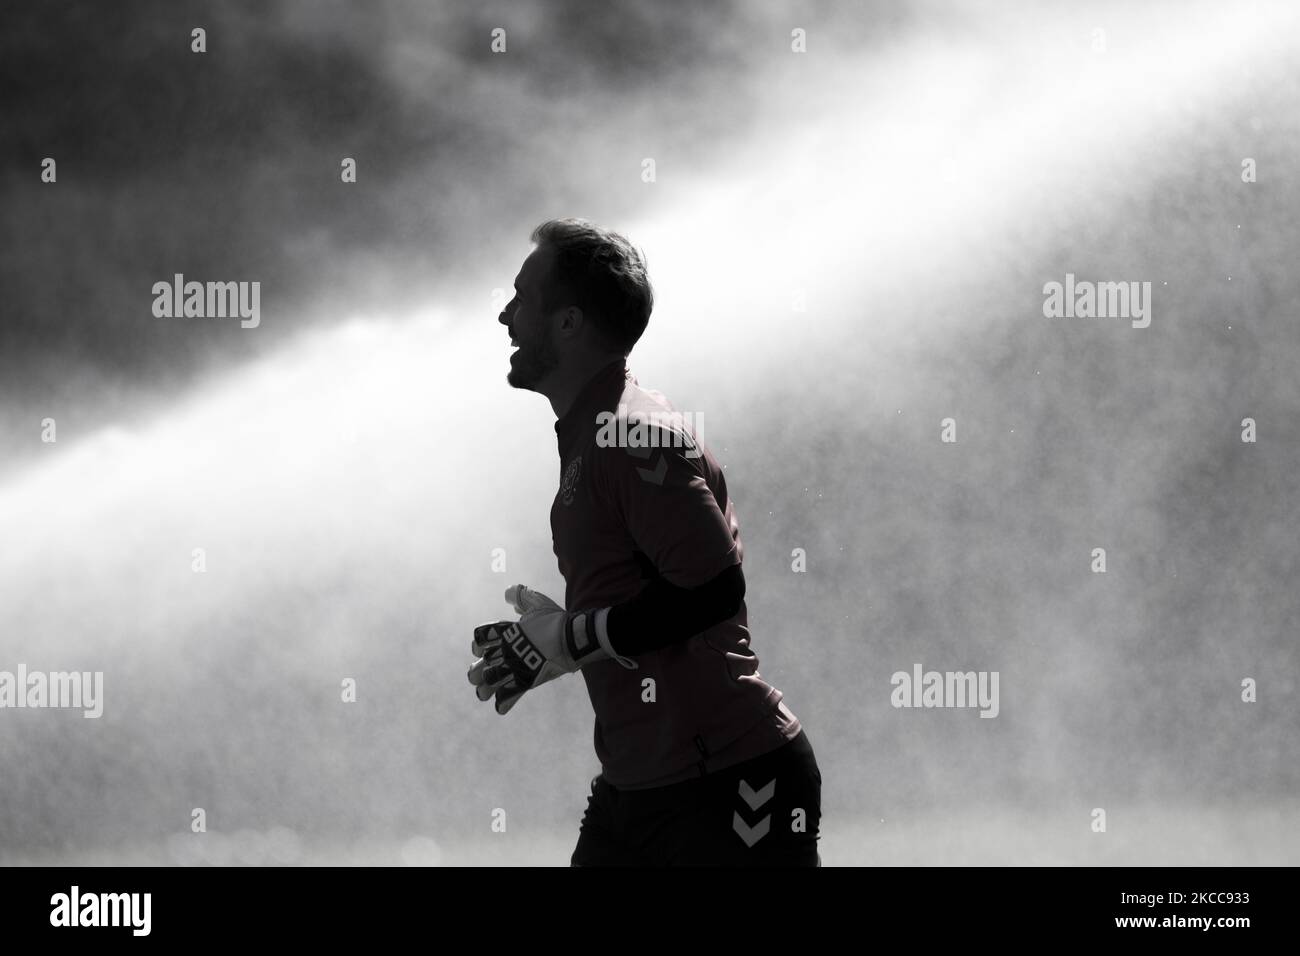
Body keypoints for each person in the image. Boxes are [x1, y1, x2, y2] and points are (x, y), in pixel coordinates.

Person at [468, 217, 822, 866]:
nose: (506, 317)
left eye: (521, 298)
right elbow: (649, 605)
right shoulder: (591, 430)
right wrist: (565, 642)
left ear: (569, 323)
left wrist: (573, 638)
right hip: (639, 790)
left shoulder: (631, 434)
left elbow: (711, 591)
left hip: (726, 783)